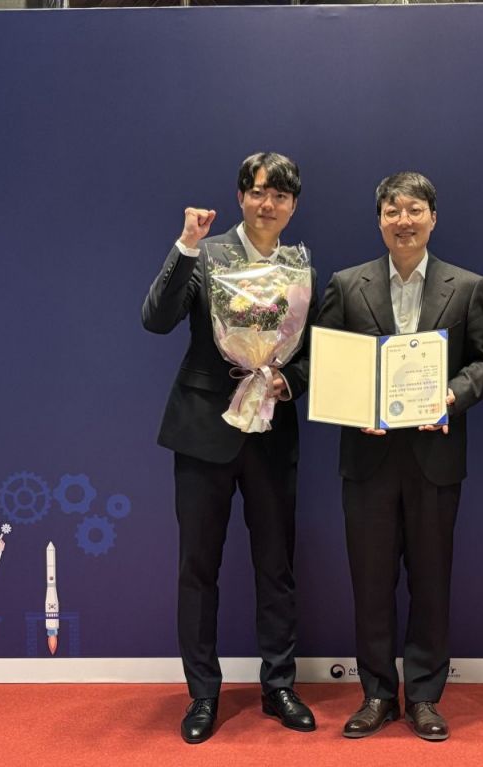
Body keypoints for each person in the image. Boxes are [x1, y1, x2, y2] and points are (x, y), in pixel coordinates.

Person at [315, 171, 483, 741]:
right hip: (366, 458)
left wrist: (452, 395)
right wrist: (354, 405)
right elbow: (326, 362)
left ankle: (423, 695)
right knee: (370, 583)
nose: (404, 221)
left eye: (415, 209)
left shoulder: (466, 286)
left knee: (431, 580)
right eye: (393, 211)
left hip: (434, 458)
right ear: (379, 220)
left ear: (433, 218)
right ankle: (376, 693)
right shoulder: (346, 284)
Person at [142, 152, 318, 744]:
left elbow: (313, 351)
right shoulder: (207, 253)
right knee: (198, 567)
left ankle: (279, 685)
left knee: (277, 565)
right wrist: (186, 246)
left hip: (272, 433)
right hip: (203, 430)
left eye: (280, 196)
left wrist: (287, 382)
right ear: (241, 195)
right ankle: (202, 693)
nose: (268, 204)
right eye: (258, 192)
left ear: (293, 206)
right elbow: (156, 319)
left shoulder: (300, 265)